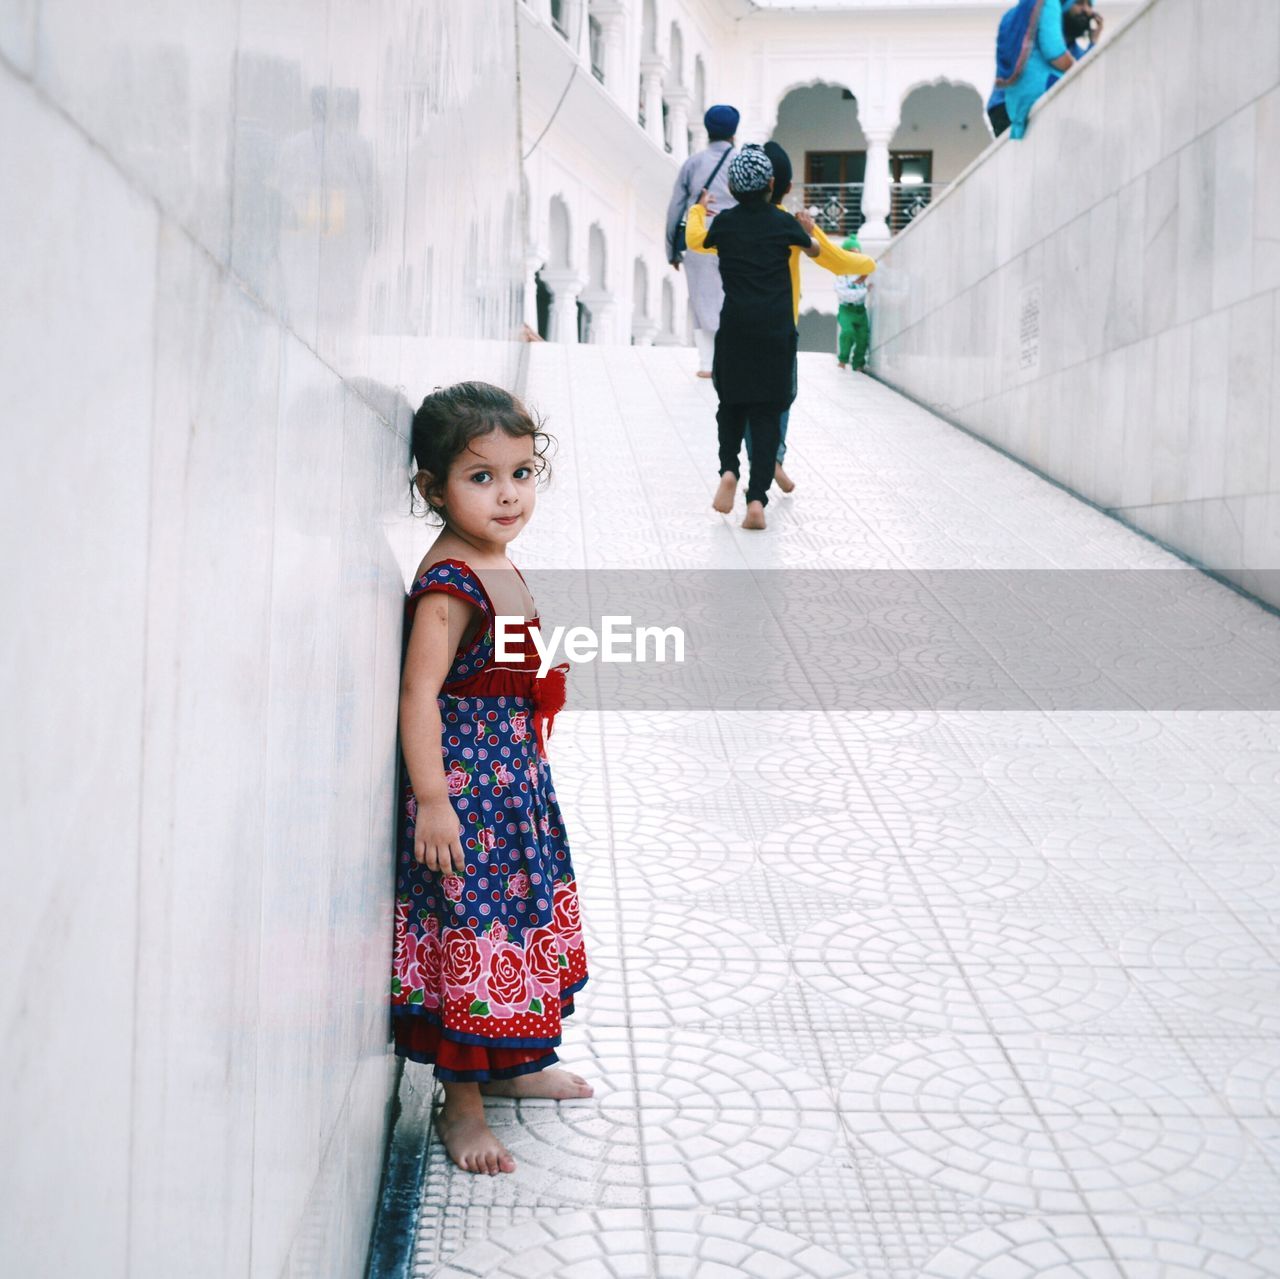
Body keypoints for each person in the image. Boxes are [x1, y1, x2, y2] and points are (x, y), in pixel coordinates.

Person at [393, 382, 591, 1176]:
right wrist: (434, 802)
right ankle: (462, 1102)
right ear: (432, 489)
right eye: (481, 477)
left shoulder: (495, 558)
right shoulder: (449, 584)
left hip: (513, 793)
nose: (507, 494)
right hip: (467, 801)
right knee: (470, 939)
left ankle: (516, 1063)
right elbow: (418, 695)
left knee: (512, 926)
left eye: (520, 472)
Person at [699, 142, 877, 504]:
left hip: (735, 328)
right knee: (771, 409)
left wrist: (699, 212)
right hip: (777, 331)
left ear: (733, 188)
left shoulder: (726, 226)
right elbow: (829, 255)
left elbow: (700, 240)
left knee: (733, 404)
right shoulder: (787, 226)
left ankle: (730, 469)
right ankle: (761, 485)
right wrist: (862, 260)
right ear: (780, 186)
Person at [665, 105, 739, 377]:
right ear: (734, 132)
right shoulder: (741, 160)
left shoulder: (693, 163)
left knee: (701, 299)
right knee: (732, 297)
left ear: (708, 130)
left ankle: (708, 363)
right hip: (735, 238)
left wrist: (672, 248)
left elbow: (676, 206)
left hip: (699, 236)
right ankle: (730, 359)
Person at [992, 0, 1085, 139]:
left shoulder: (1010, 15)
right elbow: (1054, 52)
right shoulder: (1048, 3)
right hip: (1041, 91)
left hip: (1014, 105)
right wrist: (1079, 70)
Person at [835, 234, 872, 373]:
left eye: (857, 253)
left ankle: (858, 364)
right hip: (846, 310)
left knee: (863, 337)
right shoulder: (841, 274)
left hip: (861, 310)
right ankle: (843, 360)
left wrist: (862, 284)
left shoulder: (864, 273)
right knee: (848, 333)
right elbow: (846, 295)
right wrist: (863, 290)